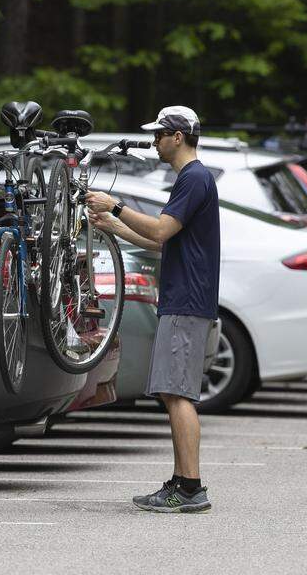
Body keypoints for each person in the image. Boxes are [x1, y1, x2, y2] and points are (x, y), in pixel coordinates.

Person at [84, 105, 219, 513]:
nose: (155, 142)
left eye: (160, 135)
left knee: (177, 394)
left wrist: (116, 206)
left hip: (186, 300)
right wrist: (116, 228)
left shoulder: (194, 178)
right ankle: (181, 480)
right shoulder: (192, 179)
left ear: (178, 136)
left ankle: (191, 487)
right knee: (171, 391)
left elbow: (161, 229)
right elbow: (164, 243)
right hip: (185, 298)